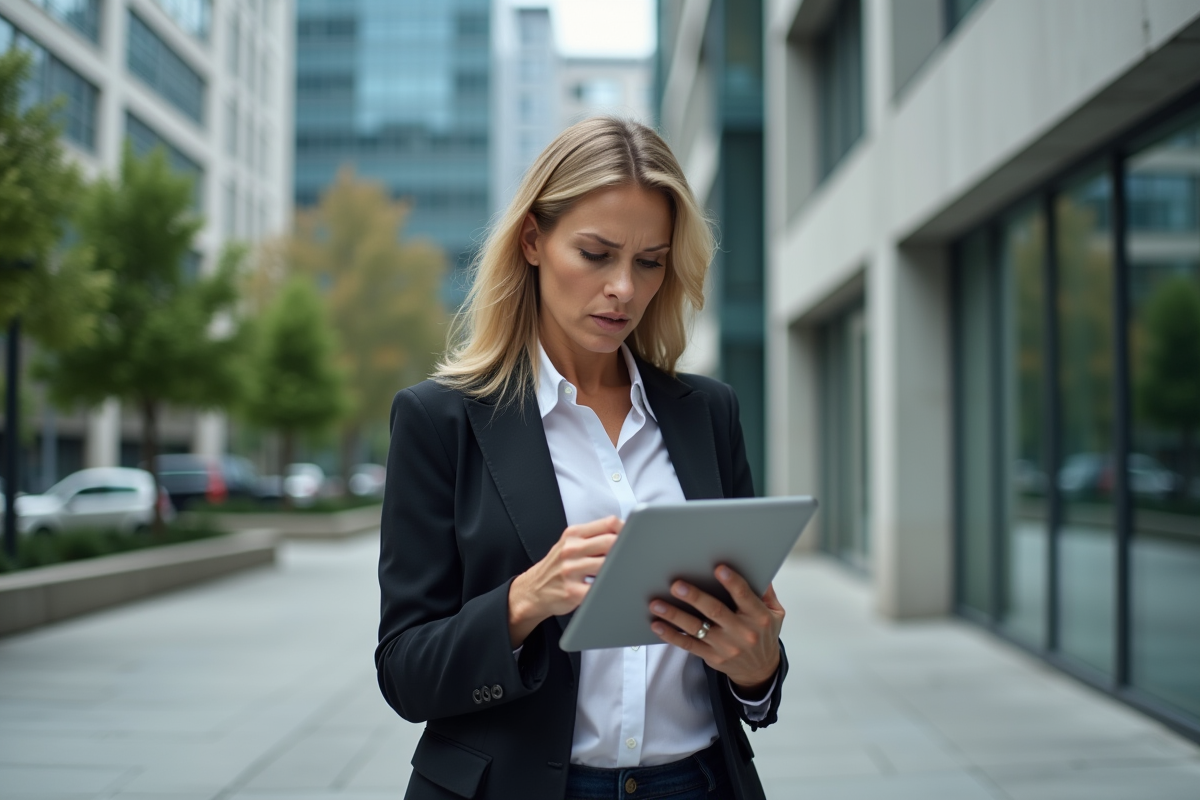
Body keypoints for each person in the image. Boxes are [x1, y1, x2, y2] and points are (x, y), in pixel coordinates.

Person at [376, 116, 787, 800]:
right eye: (596, 254)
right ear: (533, 239)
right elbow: (404, 672)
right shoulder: (439, 419)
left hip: (699, 784)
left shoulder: (708, 413)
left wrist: (758, 666)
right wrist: (522, 601)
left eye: (649, 261)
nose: (624, 288)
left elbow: (750, 675)